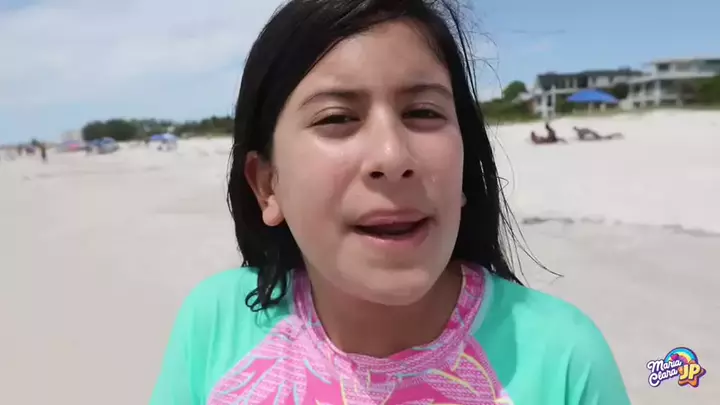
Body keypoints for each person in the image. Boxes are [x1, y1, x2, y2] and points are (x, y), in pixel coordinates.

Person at [151, 1, 630, 404]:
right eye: (337, 118)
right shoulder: (215, 323)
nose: (392, 156)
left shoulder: (564, 358)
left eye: (423, 112)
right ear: (267, 186)